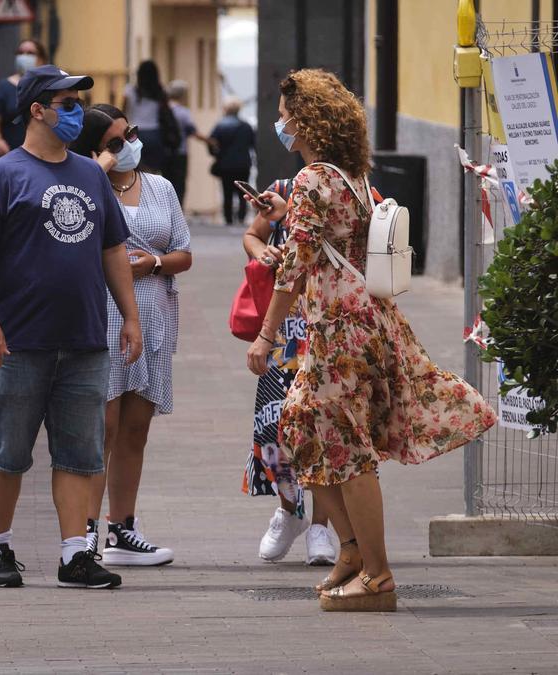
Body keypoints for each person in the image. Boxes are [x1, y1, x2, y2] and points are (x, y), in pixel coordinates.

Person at [245, 69, 495, 611]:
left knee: (346, 450)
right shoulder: (351, 174)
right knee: (303, 426)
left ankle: (377, 574)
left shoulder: (313, 178)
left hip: (337, 329)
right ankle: (352, 553)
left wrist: (265, 335)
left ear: (305, 119)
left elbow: (296, 267)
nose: (281, 123)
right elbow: (329, 236)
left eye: (287, 114)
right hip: (360, 320)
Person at [0, 65, 143, 590]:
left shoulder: (90, 175)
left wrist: (128, 316)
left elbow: (113, 249)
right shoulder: (2, 175)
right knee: (9, 452)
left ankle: (74, 555)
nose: (76, 113)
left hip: (84, 340)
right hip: (19, 341)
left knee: (80, 455)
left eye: (77, 103)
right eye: (65, 103)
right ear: (36, 110)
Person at [70, 104, 192, 566]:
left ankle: (123, 528)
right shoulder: (84, 188)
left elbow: (183, 251)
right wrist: (94, 180)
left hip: (155, 317)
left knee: (136, 429)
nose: (129, 147)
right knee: (102, 427)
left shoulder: (160, 187)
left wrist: (154, 263)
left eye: (131, 135)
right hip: (103, 317)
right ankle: (84, 533)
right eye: (116, 143)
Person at [240, 178, 337, 566]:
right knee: (272, 428)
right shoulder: (280, 186)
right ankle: (290, 509)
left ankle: (321, 526)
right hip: (282, 329)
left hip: (328, 325)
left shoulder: (346, 187)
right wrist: (264, 251)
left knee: (324, 429)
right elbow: (251, 234)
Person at [0, 39, 48, 161]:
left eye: (30, 53)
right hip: (9, 153)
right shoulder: (4, 86)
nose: (24, 57)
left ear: (42, 59)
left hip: (41, 154)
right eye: (20, 53)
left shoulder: (49, 87)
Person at [123, 61, 182, 176]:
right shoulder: (160, 93)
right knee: (153, 172)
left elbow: (123, 112)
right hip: (155, 135)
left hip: (134, 133)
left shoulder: (129, 91)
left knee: (135, 170)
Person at [208, 97, 255, 226]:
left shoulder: (220, 126)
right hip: (243, 164)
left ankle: (228, 218)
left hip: (225, 164)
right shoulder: (246, 126)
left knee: (227, 191)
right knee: (243, 192)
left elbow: (212, 143)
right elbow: (253, 144)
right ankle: (241, 217)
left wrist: (216, 154)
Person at [165, 79, 209, 205]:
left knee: (165, 182)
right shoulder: (183, 112)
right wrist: (210, 141)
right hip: (180, 152)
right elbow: (193, 131)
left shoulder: (163, 110)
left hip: (164, 152)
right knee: (179, 183)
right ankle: (178, 210)